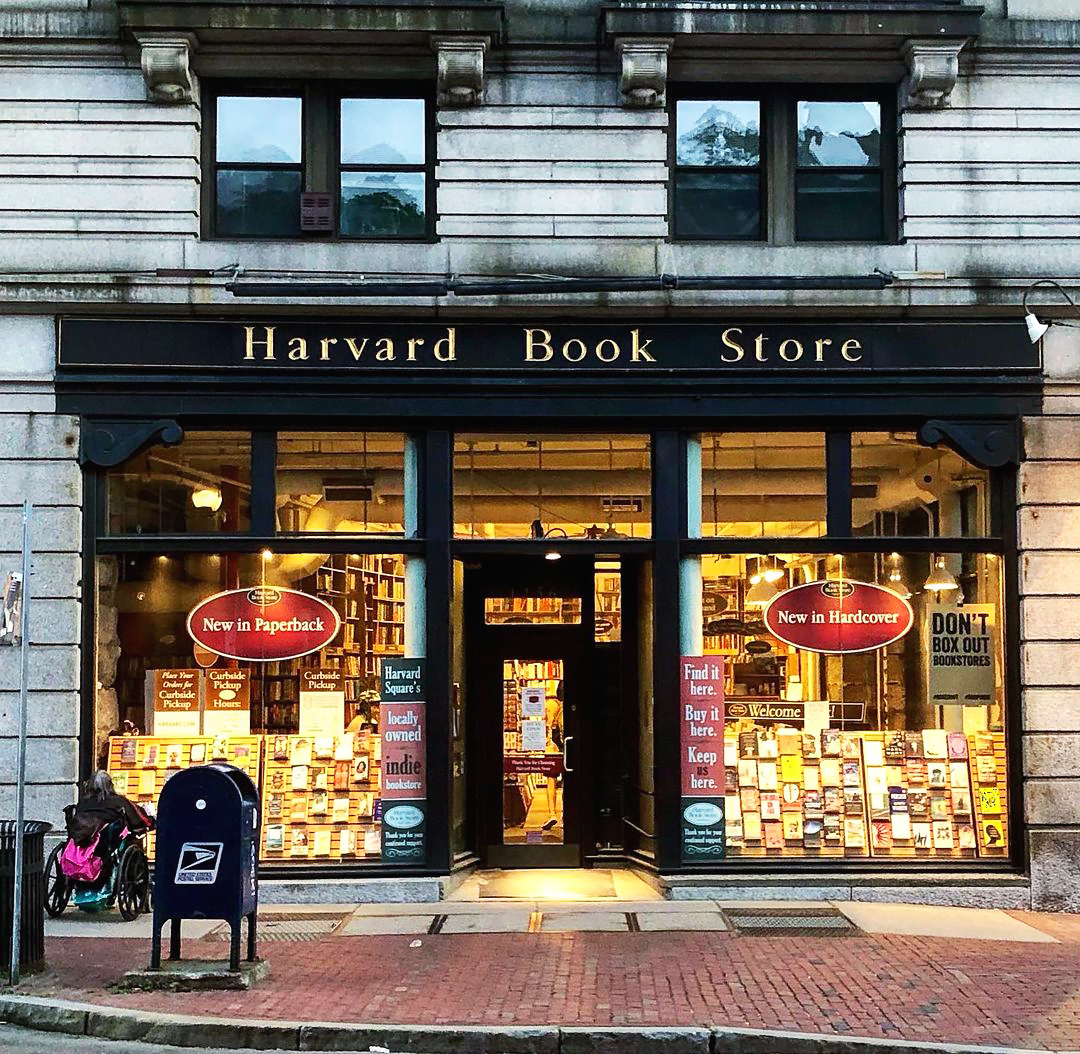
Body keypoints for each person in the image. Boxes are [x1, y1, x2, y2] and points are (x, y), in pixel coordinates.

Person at [66, 770, 153, 856]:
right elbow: (136, 819)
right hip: (106, 845)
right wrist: (151, 820)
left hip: (83, 840)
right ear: (110, 785)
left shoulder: (83, 803)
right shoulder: (118, 801)